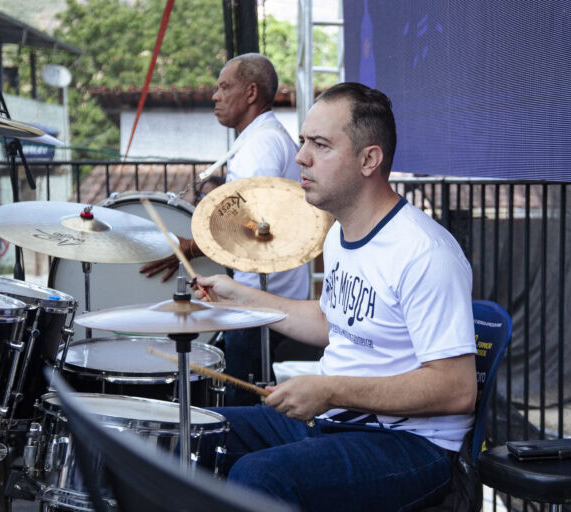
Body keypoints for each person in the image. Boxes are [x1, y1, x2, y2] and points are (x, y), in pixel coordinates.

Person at [193, 83, 477, 511]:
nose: (300, 157)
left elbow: (456, 390)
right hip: (333, 420)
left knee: (258, 476)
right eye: (304, 140)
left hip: (409, 444)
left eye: (320, 144)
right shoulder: (340, 237)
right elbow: (333, 322)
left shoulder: (424, 252)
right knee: (194, 433)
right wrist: (239, 297)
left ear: (369, 159)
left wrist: (329, 391)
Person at [140, 53, 316, 405]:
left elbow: (252, 222)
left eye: (224, 87)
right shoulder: (258, 138)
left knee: (241, 405)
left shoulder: (261, 143)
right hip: (257, 296)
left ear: (251, 92)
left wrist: (188, 248)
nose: (214, 96)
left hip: (258, 303)